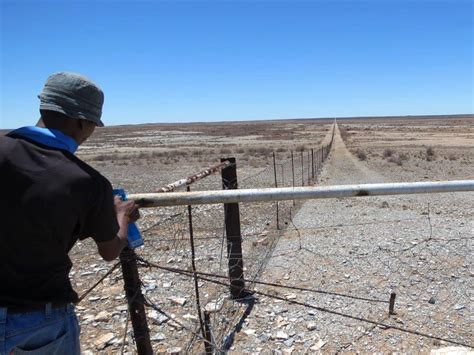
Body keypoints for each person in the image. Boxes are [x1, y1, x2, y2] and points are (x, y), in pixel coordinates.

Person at [0, 72, 139, 354]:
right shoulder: (86, 181)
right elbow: (110, 250)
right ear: (82, 121)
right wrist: (122, 215)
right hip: (39, 317)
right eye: (92, 126)